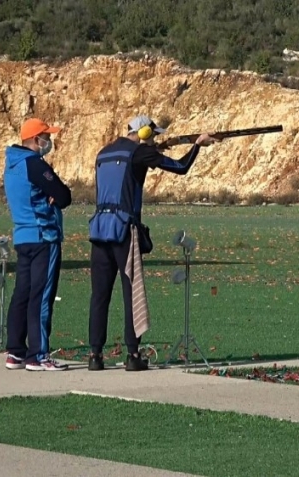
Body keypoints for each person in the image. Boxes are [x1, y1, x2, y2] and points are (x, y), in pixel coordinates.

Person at [86, 115, 218, 372]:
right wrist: (198, 145)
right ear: (144, 133)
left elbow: (127, 169)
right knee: (131, 294)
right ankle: (133, 355)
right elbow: (180, 168)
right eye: (153, 135)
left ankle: (95, 355)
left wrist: (154, 149)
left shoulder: (103, 152)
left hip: (99, 230)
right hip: (124, 230)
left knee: (99, 297)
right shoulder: (139, 153)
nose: (155, 138)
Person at [3, 118, 72, 371]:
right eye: (46, 137)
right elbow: (64, 196)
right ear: (35, 139)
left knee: (22, 293)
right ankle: (38, 355)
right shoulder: (34, 164)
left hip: (22, 236)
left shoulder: (11, 164)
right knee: (41, 296)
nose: (49, 142)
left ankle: (15, 351)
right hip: (44, 236)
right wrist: (53, 194)